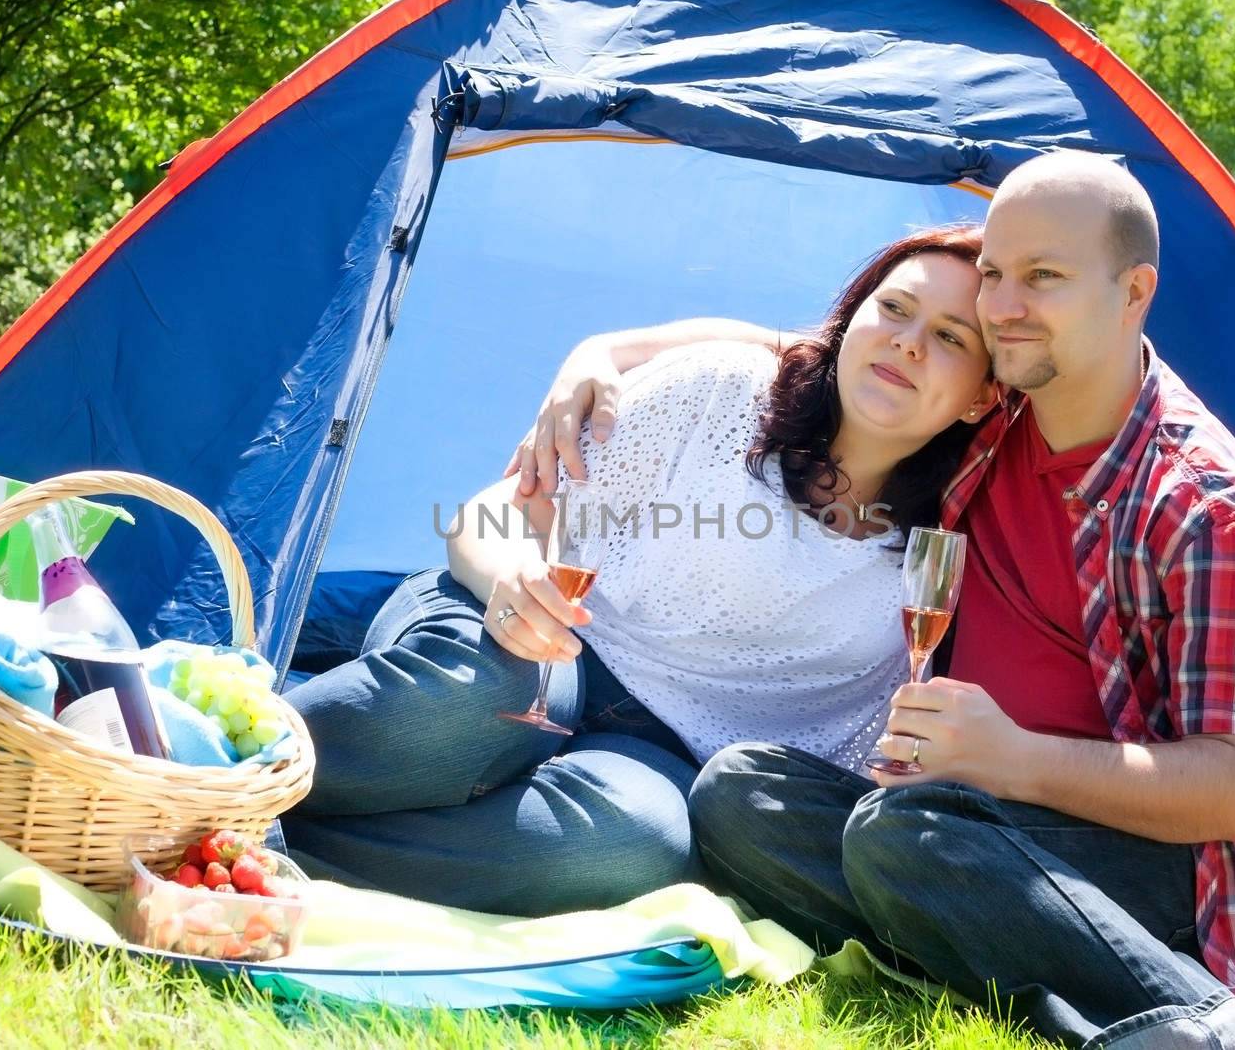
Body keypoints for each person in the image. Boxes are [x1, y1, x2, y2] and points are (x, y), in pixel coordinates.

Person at [512, 152, 1235, 1049]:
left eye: (1042, 277)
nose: (1003, 305)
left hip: (1120, 852)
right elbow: (826, 346)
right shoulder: (991, 414)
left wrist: (1013, 760)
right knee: (737, 790)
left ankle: (1205, 1028)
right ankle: (970, 942)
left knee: (905, 832)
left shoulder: (1210, 512)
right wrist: (601, 354)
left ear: (1134, 292)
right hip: (958, 813)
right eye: (998, 275)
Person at [279, 226, 999, 917]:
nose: (907, 341)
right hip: (545, 638)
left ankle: (266, 838)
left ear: (981, 396)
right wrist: (508, 582)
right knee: (471, 707)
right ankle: (210, 761)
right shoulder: (724, 392)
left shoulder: (945, 553)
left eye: (949, 337)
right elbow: (505, 509)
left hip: (656, 754)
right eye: (895, 309)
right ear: (847, 325)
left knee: (636, 845)